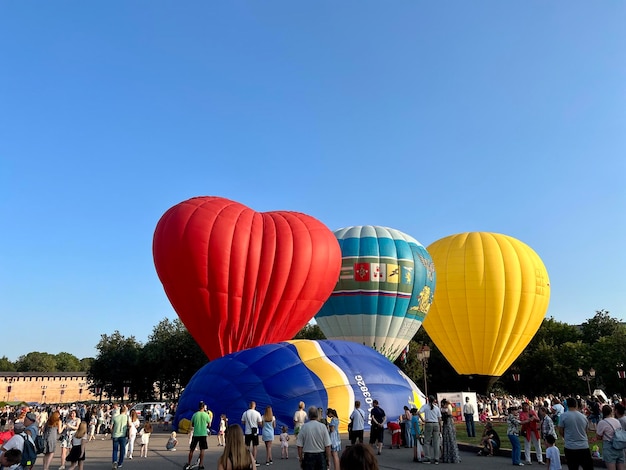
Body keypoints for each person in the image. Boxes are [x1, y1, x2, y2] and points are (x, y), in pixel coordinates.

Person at [557, 397, 593, 470]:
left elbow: (560, 430)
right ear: (576, 405)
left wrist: (566, 437)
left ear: (567, 405)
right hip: (584, 446)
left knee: (573, 467)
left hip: (570, 446)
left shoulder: (563, 416)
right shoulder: (583, 417)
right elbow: (586, 431)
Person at [595, 404, 624, 470]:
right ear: (611, 412)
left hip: (609, 447)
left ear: (602, 413)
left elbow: (598, 436)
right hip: (619, 446)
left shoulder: (602, 422)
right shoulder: (617, 421)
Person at [185, 401, 212, 470]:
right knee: (202, 450)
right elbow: (209, 425)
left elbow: (192, 424)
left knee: (192, 449)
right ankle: (201, 464)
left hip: (196, 434)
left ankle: (189, 463)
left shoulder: (195, 415)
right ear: (203, 407)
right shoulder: (206, 415)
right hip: (203, 434)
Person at [419, 395, 442, 464]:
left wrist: (423, 420)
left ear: (428, 399)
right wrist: (440, 427)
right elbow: (439, 418)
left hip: (428, 423)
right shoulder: (437, 408)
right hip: (436, 424)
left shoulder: (425, 406)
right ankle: (436, 458)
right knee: (436, 442)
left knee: (427, 441)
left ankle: (427, 457)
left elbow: (418, 412)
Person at [241, 401, 263, 466]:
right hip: (255, 432)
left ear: (249, 405)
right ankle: (254, 460)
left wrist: (247, 424)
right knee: (255, 446)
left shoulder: (245, 413)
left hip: (247, 432)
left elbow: (243, 422)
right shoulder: (257, 413)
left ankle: (246, 460)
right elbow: (260, 423)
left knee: (247, 446)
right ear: (254, 405)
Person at [440, 398, 461, 463]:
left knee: (449, 438)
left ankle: (448, 456)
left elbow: (447, 415)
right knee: (449, 438)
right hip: (448, 424)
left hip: (448, 424)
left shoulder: (447, 408)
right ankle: (451, 456)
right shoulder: (448, 407)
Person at [111, 404, 129, 469]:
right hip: (123, 435)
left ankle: (114, 461)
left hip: (115, 435)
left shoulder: (115, 417)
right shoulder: (127, 417)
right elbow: (129, 425)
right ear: (125, 411)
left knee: (115, 450)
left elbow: (111, 427)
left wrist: (112, 432)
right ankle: (120, 463)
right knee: (122, 450)